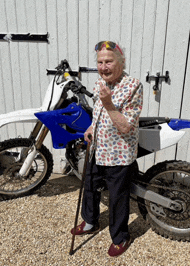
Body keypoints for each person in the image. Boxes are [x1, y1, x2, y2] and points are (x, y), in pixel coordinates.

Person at [71, 41, 143, 257]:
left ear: (120, 62)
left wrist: (109, 103)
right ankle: (90, 221)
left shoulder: (133, 86)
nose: (103, 67)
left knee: (117, 198)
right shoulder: (98, 83)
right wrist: (92, 127)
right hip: (97, 148)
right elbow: (99, 112)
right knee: (90, 186)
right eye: (100, 62)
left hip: (119, 154)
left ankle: (121, 236)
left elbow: (126, 125)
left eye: (109, 61)